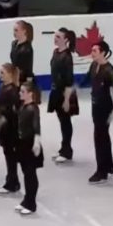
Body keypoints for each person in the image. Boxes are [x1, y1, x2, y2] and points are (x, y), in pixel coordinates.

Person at [79, 41, 113, 184]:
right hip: (95, 106)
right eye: (92, 51)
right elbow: (86, 80)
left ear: (103, 52)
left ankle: (101, 172)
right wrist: (74, 87)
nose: (92, 53)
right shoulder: (94, 65)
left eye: (95, 51)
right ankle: (108, 166)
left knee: (100, 137)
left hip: (104, 107)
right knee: (102, 136)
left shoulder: (109, 69)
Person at [48, 28, 78, 163]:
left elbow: (69, 80)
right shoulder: (56, 52)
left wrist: (66, 100)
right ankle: (64, 148)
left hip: (64, 93)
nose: (55, 38)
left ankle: (67, 151)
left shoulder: (67, 57)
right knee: (62, 121)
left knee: (65, 122)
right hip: (56, 91)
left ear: (66, 40)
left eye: (59, 37)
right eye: (55, 36)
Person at [15, 82, 44, 215]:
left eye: (22, 92)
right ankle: (27, 199)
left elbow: (36, 126)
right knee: (26, 173)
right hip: (22, 144)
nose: (20, 93)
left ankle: (31, 203)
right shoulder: (23, 106)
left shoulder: (33, 108)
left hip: (30, 144)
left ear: (30, 94)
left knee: (30, 174)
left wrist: (37, 142)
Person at [0, 63, 22, 195]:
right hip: (5, 125)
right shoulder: (4, 87)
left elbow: (15, 112)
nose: (0, 75)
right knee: (8, 155)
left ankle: (12, 182)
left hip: (11, 127)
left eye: (2, 73)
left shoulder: (13, 91)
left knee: (10, 156)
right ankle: (12, 180)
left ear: (10, 74)